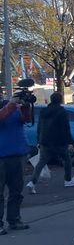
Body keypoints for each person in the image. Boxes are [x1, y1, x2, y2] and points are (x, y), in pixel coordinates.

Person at [27, 92, 74, 194]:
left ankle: (32, 183)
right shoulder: (62, 112)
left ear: (51, 99)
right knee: (67, 160)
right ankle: (68, 180)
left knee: (41, 163)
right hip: (59, 141)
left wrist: (39, 140)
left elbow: (40, 127)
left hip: (45, 141)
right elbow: (66, 128)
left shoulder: (43, 112)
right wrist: (70, 142)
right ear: (60, 100)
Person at [0, 93, 33, 233]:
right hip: (1, 156)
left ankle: (14, 219)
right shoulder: (9, 107)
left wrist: (25, 107)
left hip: (18, 154)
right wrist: (11, 105)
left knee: (16, 191)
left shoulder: (11, 107)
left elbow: (26, 119)